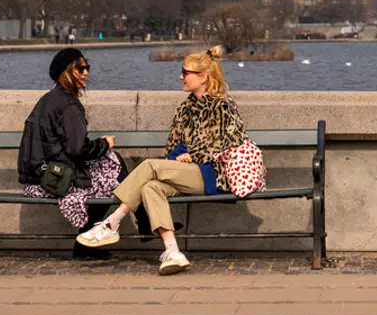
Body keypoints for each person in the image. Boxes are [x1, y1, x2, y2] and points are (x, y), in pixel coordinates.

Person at [76, 46, 246, 275]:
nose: (180, 77)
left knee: (149, 165)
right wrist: (180, 156)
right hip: (187, 172)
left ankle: (112, 222)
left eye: (185, 73)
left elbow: (227, 142)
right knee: (150, 187)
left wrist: (192, 155)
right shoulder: (185, 108)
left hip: (213, 174)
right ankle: (173, 251)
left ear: (204, 77)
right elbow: (173, 146)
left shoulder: (223, 105)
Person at [18, 48, 122, 258]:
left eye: (87, 67)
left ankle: (87, 244)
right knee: (115, 168)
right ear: (67, 72)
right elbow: (77, 150)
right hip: (54, 181)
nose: (85, 72)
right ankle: (85, 243)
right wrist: (105, 145)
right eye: (80, 68)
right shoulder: (68, 106)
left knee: (111, 171)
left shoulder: (49, 99)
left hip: (39, 177)